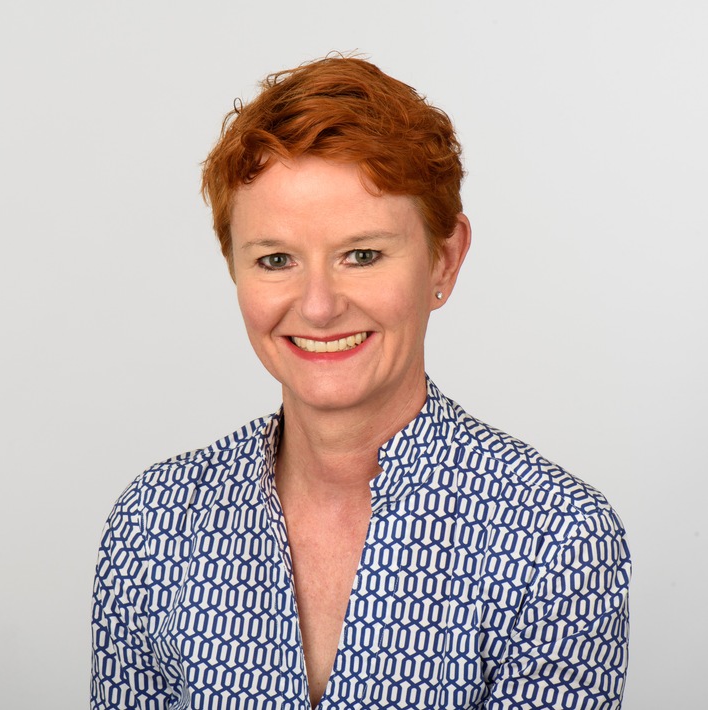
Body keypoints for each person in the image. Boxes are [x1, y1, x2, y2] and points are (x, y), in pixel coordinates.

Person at [91, 56, 631, 710]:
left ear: (444, 259)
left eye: (362, 255)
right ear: (234, 268)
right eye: (276, 259)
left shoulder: (556, 540)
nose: (318, 306)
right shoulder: (152, 524)